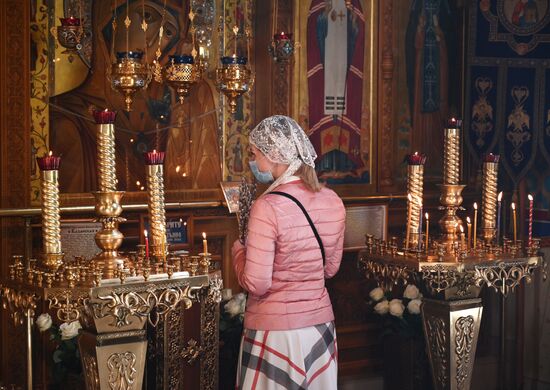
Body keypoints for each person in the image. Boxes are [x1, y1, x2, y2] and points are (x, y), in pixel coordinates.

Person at [231, 115, 346, 389]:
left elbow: (257, 284)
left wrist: (238, 253)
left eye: (255, 154)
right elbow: (330, 269)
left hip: (275, 333)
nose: (254, 163)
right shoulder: (332, 200)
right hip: (319, 327)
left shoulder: (267, 206)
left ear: (273, 155)